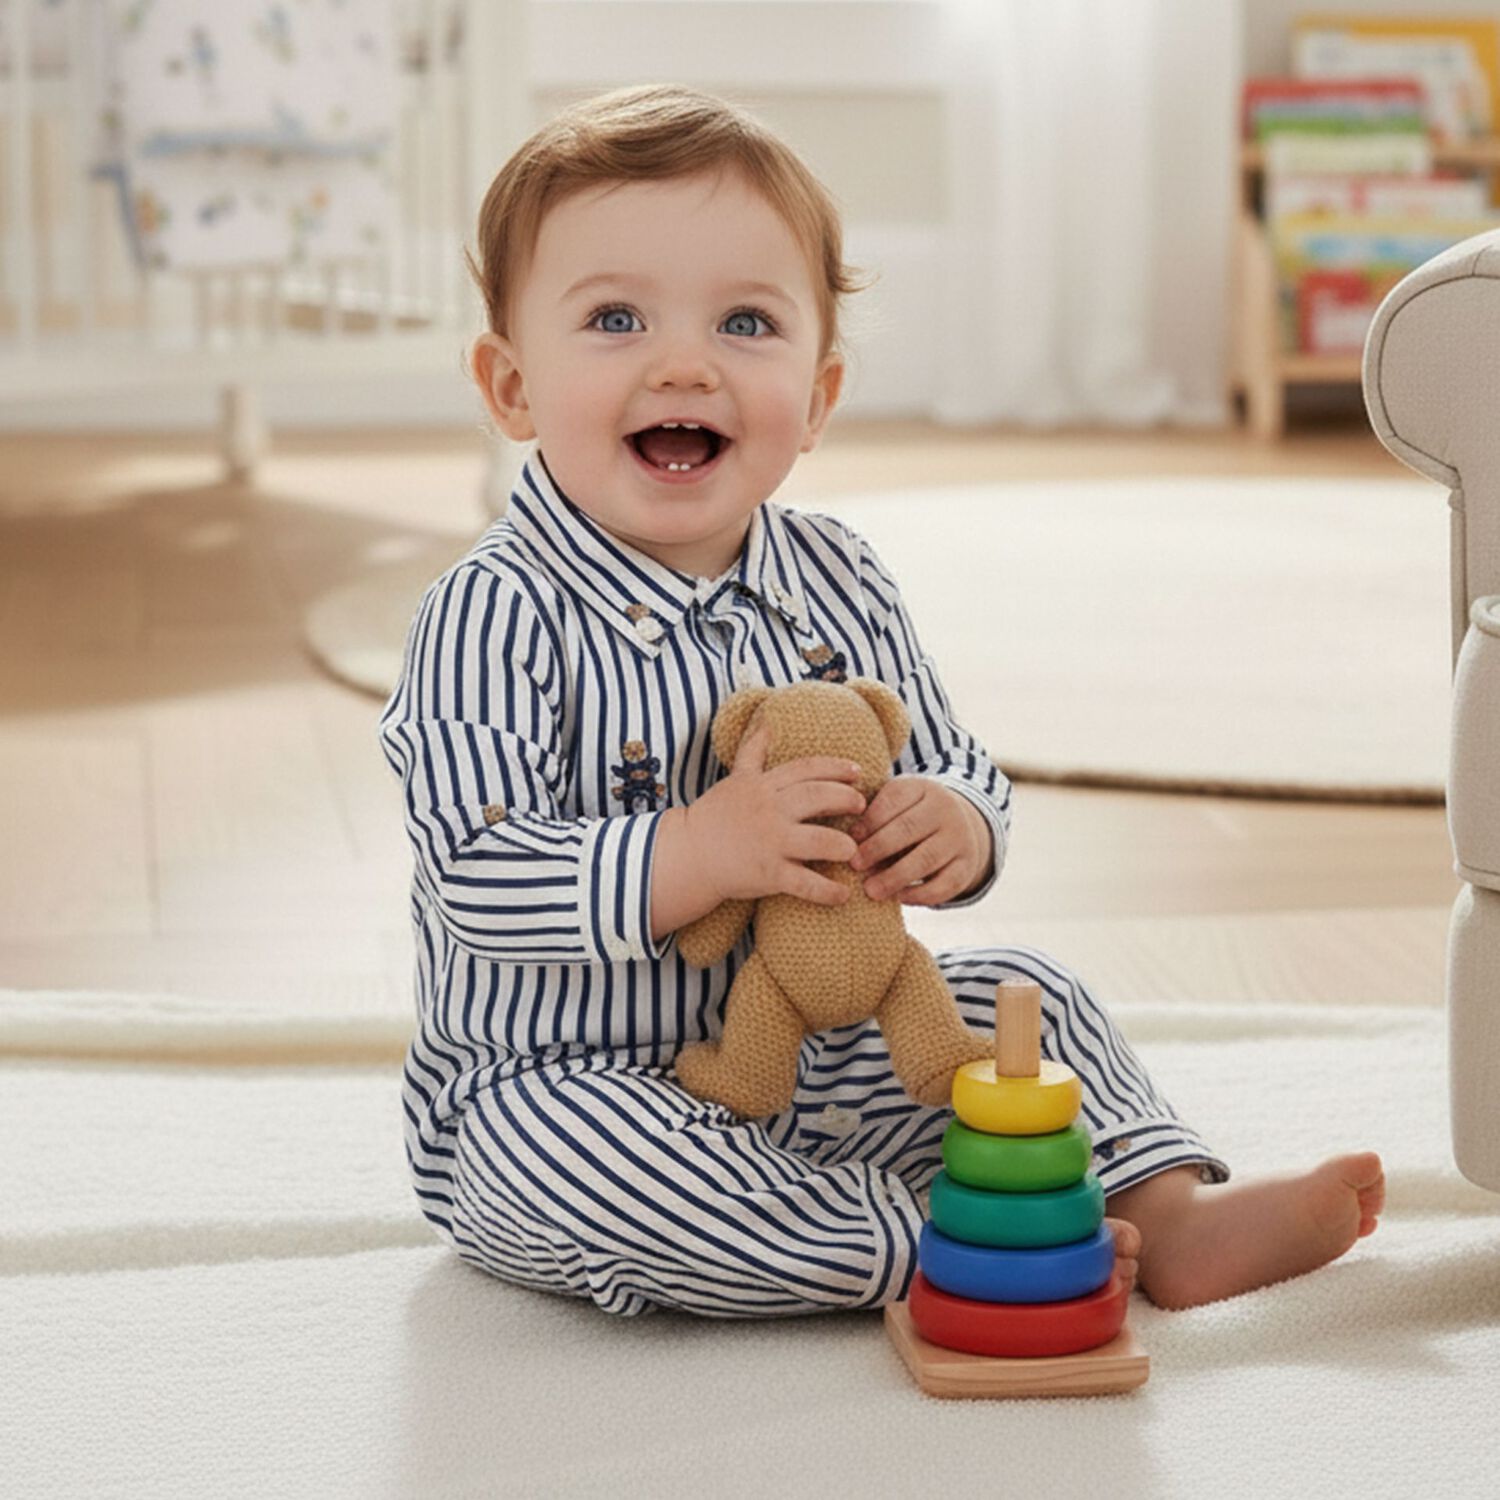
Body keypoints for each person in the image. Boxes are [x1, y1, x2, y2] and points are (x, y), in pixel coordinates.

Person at [378, 83, 1384, 1319]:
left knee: (1027, 992)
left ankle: (1157, 1212)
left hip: (823, 1038)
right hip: (567, 1077)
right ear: (511, 387)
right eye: (617, 319)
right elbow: (474, 875)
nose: (684, 363)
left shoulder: (836, 574)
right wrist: (694, 849)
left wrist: (951, 826)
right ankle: (937, 1244)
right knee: (583, 1164)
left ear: (821, 396)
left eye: (746, 322)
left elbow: (957, 760)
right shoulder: (493, 613)